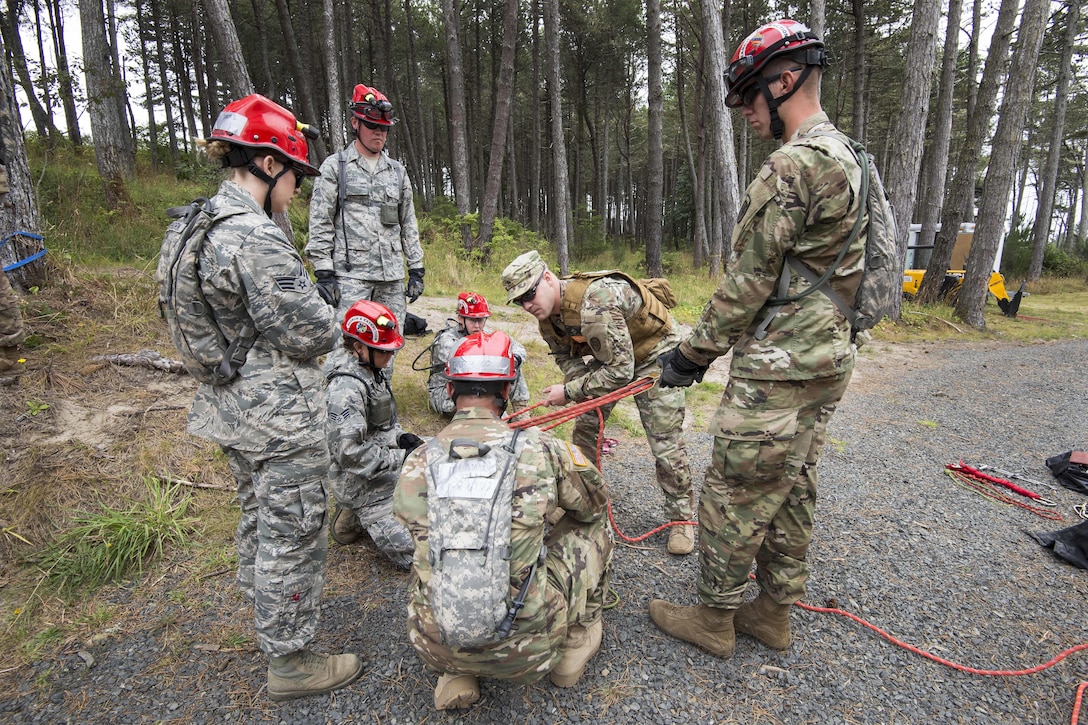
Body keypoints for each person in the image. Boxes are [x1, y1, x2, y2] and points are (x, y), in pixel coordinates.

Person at [648, 20, 867, 660]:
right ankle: (772, 611)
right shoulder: (852, 157)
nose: (745, 110)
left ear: (786, 80)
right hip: (829, 358)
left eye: (749, 94)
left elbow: (747, 282)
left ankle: (713, 618)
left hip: (779, 366)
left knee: (735, 488)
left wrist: (690, 356)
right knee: (794, 483)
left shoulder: (794, 165)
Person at [189, 94, 362, 699]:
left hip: (231, 406)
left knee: (260, 517)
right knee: (294, 526)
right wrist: (335, 315)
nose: (296, 189)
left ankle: (268, 619)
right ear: (267, 166)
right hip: (279, 416)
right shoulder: (253, 237)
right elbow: (311, 329)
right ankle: (290, 662)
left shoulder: (198, 222)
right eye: (294, 175)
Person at [394, 331, 613, 710]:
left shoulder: (418, 461)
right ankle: (575, 641)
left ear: (449, 390)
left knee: (431, 554)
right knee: (594, 526)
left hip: (434, 644)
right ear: (508, 391)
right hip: (530, 651)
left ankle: (457, 670)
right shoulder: (543, 449)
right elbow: (594, 505)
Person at [501, 251, 696, 555]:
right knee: (586, 429)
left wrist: (569, 393)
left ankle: (681, 518)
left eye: (529, 293)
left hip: (655, 354)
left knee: (665, 441)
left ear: (549, 278)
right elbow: (567, 358)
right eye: (519, 301)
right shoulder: (547, 319)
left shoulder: (595, 303)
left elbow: (620, 372)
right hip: (614, 360)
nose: (527, 305)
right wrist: (580, 387)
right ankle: (584, 502)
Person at [306, 83, 423, 372]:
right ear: (355, 123)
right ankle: (342, 398)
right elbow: (320, 220)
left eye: (384, 128)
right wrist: (323, 270)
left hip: (391, 275)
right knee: (346, 340)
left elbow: (408, 221)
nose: (379, 133)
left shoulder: (396, 171)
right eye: (372, 126)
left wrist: (417, 268)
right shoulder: (336, 167)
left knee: (390, 341)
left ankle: (380, 400)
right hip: (350, 275)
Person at [325, 299, 420, 570]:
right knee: (426, 555)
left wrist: (402, 438)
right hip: (361, 481)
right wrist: (402, 459)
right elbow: (349, 454)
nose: (390, 356)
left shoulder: (372, 370)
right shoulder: (345, 389)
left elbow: (384, 426)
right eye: (384, 351)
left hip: (382, 463)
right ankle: (356, 507)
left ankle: (355, 512)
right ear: (359, 347)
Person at [425, 291, 530, 418]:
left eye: (480, 320)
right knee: (502, 363)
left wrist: (514, 359)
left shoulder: (487, 335)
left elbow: (518, 348)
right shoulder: (446, 341)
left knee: (512, 363)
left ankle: (521, 412)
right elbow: (468, 364)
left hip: (480, 387)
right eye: (472, 320)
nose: (477, 326)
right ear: (460, 318)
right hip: (449, 393)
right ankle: (489, 410)